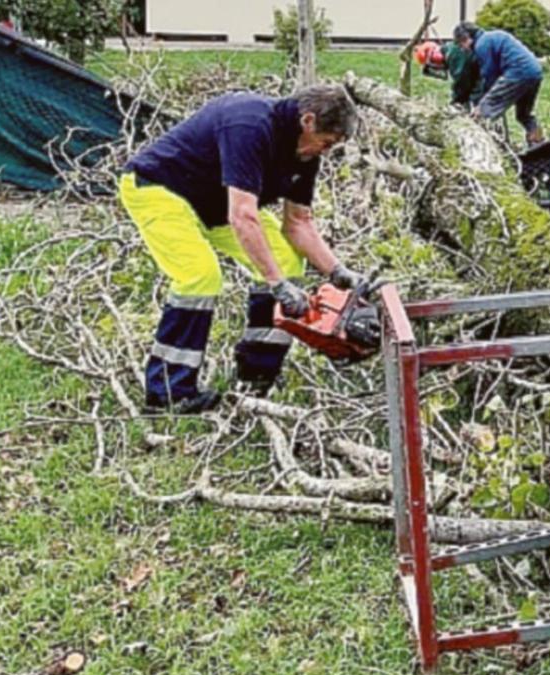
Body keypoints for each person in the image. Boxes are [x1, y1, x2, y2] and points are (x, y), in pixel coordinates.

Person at [118, 85, 367, 414]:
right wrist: (276, 285)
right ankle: (167, 392)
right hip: (160, 188)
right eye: (327, 142)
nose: (325, 151)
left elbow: (299, 224)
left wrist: (338, 272)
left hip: (215, 204)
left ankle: (255, 375)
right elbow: (243, 215)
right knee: (200, 277)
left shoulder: (304, 154)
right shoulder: (249, 125)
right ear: (308, 120)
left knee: (287, 261)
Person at [453, 22, 545, 147]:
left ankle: (479, 146)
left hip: (517, 72)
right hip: (535, 72)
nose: (462, 49)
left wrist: (482, 102)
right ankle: (538, 142)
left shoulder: (481, 45)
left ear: (467, 39)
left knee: (483, 112)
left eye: (461, 44)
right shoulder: (492, 36)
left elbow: (489, 75)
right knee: (524, 114)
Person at [414, 39, 481, 109]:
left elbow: (461, 81)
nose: (436, 66)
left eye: (432, 62)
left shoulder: (453, 54)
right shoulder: (450, 49)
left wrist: (455, 101)